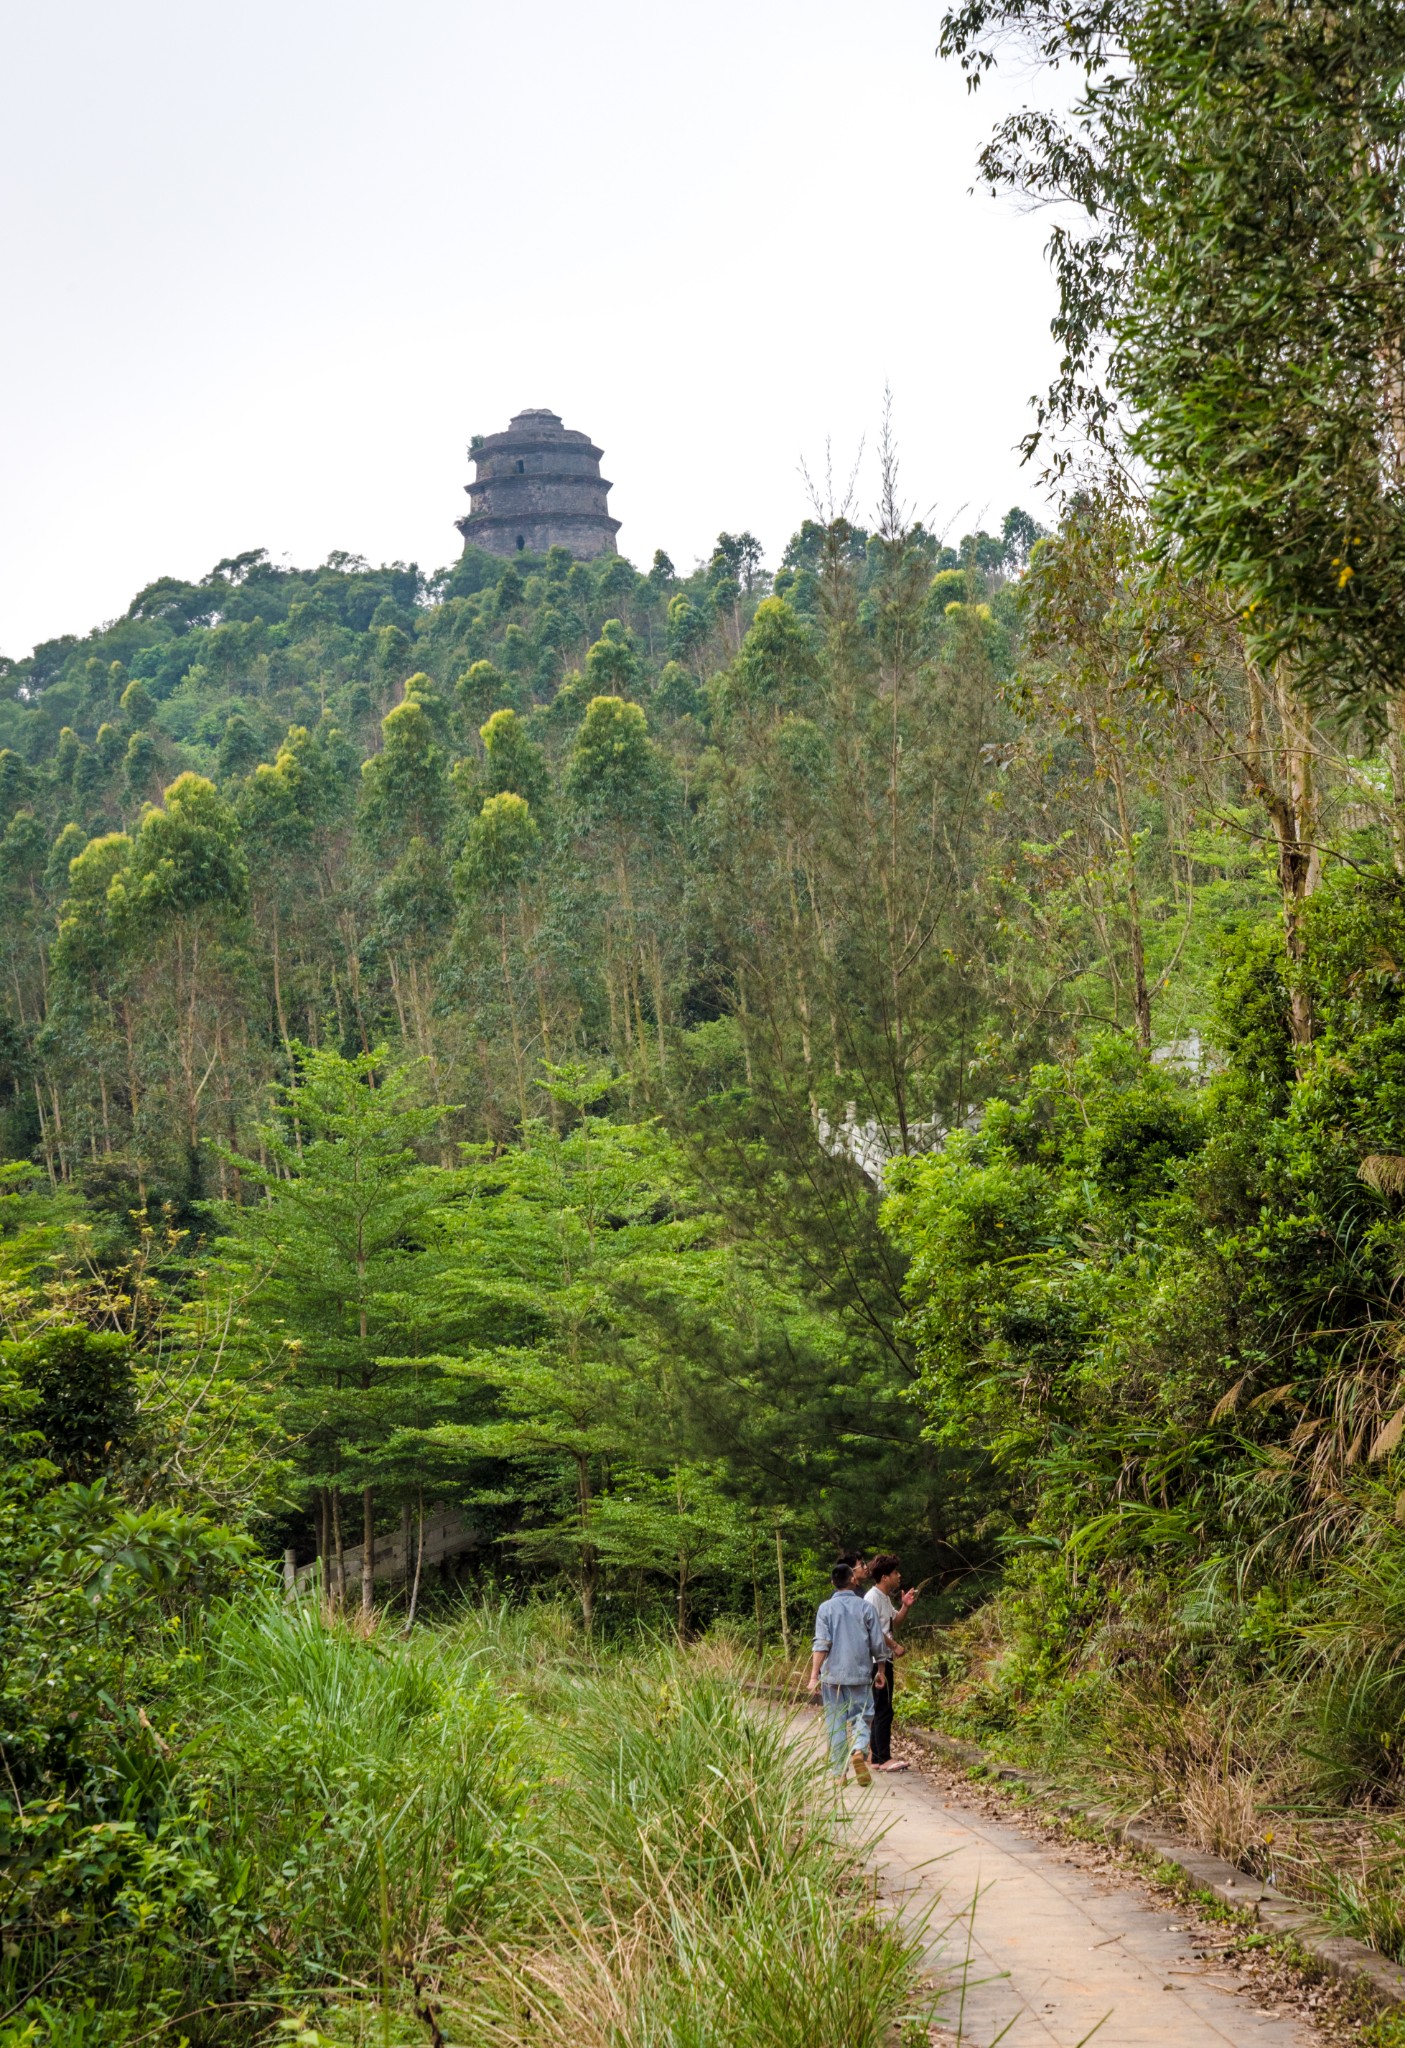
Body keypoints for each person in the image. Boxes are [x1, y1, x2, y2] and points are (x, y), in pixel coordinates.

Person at [807, 1560, 888, 1785]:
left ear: (833, 1583)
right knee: (862, 1716)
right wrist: (880, 1669)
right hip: (860, 1673)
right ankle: (859, 1751)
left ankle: (838, 1775)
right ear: (853, 1580)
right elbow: (878, 1644)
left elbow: (821, 1643)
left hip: (832, 1676)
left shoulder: (825, 1609)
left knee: (835, 1723)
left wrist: (814, 1676)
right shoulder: (865, 1608)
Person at [865, 1552, 917, 1771]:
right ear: (885, 1576)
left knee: (881, 1707)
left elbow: (894, 1621)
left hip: (883, 1658)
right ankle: (883, 1757)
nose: (899, 1575)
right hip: (877, 1661)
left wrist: (905, 1606)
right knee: (883, 1708)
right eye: (895, 1572)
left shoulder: (884, 1597)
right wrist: (894, 1646)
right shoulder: (872, 1598)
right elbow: (874, 1629)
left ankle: (876, 1758)